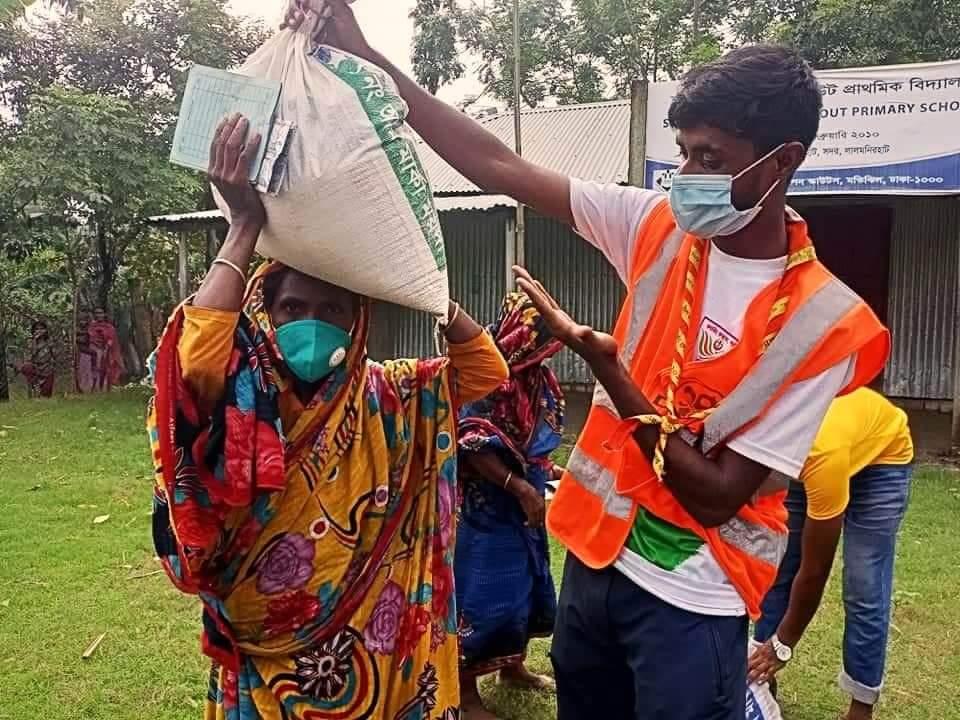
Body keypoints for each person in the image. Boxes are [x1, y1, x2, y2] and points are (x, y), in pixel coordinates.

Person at [282, 4, 891, 716]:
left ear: (781, 161)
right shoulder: (654, 227)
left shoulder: (824, 322)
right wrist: (365, 53)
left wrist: (604, 367)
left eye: (712, 159)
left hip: (696, 595)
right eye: (685, 151)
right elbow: (497, 165)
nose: (686, 174)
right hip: (598, 564)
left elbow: (720, 493)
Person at [147, 114, 508, 720]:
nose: (309, 323)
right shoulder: (244, 394)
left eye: (331, 309)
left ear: (357, 322)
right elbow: (190, 364)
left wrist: (422, 285)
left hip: (377, 643)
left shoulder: (393, 396)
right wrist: (244, 226)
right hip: (267, 655)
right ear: (266, 311)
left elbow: (484, 369)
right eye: (292, 307)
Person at [749, 388, 914, 720]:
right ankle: (760, 681)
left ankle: (860, 706)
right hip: (812, 448)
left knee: (863, 585)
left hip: (884, 459)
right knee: (779, 567)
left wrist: (783, 645)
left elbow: (815, 571)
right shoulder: (765, 441)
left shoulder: (821, 456)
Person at [455, 292, 565, 718]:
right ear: (524, 334)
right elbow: (471, 442)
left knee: (524, 587)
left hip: (525, 506)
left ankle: (511, 668)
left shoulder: (536, 377)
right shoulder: (487, 376)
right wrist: (519, 486)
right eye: (545, 337)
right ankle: (465, 695)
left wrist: (546, 474)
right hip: (487, 510)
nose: (550, 346)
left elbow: (531, 440)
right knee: (480, 593)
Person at [15, 320, 56, 398]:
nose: (39, 331)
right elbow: (30, 357)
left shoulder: (49, 341)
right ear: (33, 331)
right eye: (37, 329)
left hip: (47, 369)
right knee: (27, 367)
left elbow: (55, 356)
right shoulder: (31, 342)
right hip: (36, 368)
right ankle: (35, 385)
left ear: (46, 330)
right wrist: (35, 340)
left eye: (41, 329)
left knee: (45, 396)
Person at [88, 306, 124, 390]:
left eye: (101, 313)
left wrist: (106, 349)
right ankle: (94, 387)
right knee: (96, 365)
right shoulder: (91, 326)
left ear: (104, 314)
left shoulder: (109, 327)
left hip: (108, 350)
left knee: (106, 367)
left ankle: (105, 387)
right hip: (94, 350)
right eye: (96, 313)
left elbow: (111, 339)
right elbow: (91, 338)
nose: (99, 315)